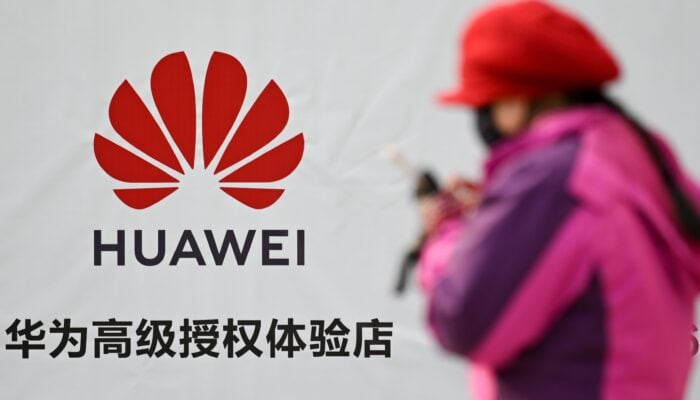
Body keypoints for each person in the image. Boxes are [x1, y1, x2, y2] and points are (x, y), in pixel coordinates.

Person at [417, 1, 700, 399]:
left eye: (484, 104)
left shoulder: (557, 180)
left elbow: (464, 319)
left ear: (517, 100)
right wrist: (495, 221)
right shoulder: (631, 156)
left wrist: (447, 235)